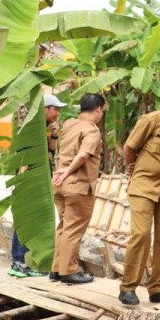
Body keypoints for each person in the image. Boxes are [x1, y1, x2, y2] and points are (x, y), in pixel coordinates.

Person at [117, 96, 160, 306]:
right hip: (144, 186)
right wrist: (132, 170)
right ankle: (128, 288)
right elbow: (129, 147)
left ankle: (158, 288)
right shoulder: (153, 120)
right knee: (141, 234)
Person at [9, 93, 67, 278]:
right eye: (55, 109)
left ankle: (22, 262)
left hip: (38, 179)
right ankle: (19, 262)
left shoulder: (44, 129)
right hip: (28, 181)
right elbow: (25, 156)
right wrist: (23, 182)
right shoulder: (31, 128)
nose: (57, 113)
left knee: (30, 221)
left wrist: (55, 135)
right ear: (45, 108)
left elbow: (50, 152)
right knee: (26, 222)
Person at [50, 93, 105, 284]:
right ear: (98, 110)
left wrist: (62, 173)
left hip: (59, 185)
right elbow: (83, 155)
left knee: (64, 227)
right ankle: (69, 270)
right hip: (78, 185)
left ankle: (57, 269)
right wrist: (68, 172)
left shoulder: (69, 124)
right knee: (73, 229)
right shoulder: (92, 131)